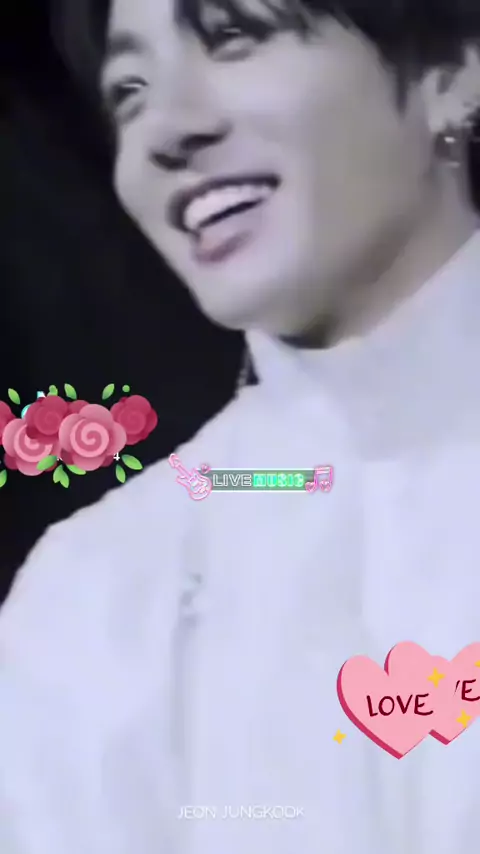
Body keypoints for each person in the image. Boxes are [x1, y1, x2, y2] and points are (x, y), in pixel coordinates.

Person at [1, 0, 480, 851]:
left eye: (233, 36)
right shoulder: (96, 593)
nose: (166, 131)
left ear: (452, 73)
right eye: (129, 91)